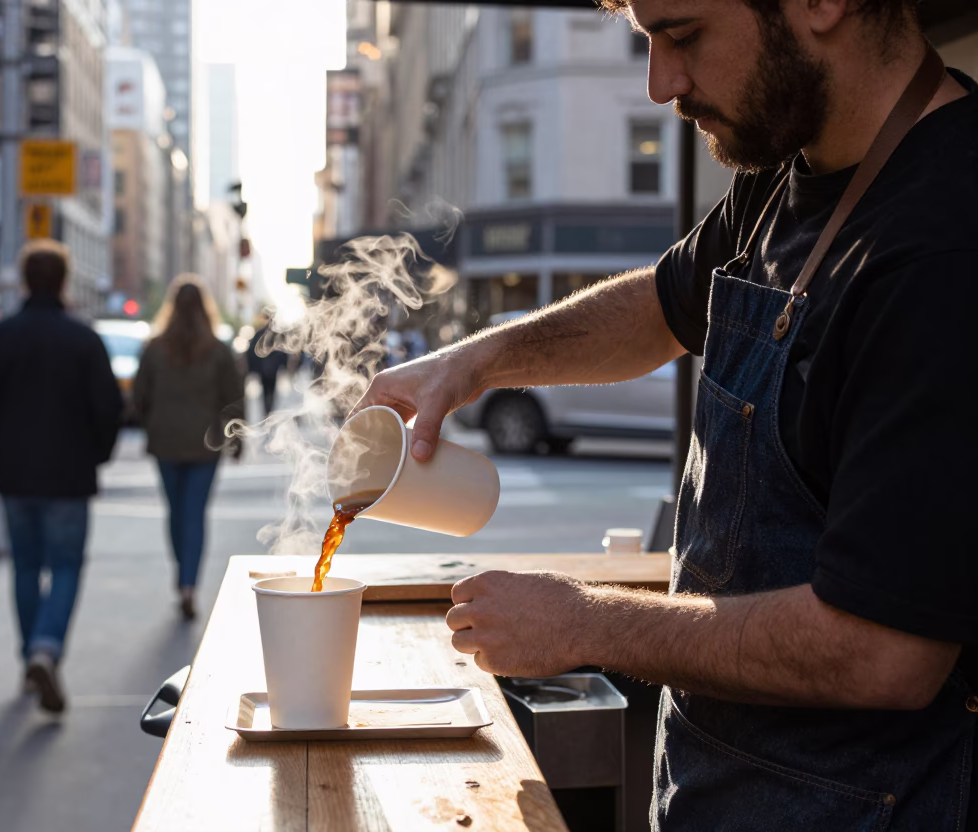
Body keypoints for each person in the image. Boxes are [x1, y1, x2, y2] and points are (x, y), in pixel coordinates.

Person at [356, 3, 976, 829]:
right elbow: (659, 307)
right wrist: (473, 362)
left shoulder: (945, 246)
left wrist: (586, 622)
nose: (660, 84)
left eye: (682, 35)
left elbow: (882, 652)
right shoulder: (788, 169)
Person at [0, 240, 122, 715]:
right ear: (65, 281)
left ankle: (31, 655)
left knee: (26, 566)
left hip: (15, 473)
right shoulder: (84, 339)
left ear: (25, 280)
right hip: (70, 472)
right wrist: (97, 454)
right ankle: (45, 648)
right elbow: (109, 408)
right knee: (67, 565)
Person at [132, 277, 244, 620]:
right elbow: (233, 399)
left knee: (176, 512)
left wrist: (150, 423)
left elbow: (139, 397)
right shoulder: (218, 350)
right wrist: (236, 440)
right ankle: (188, 584)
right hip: (204, 445)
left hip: (165, 442)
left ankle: (182, 573)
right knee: (194, 514)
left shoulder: (155, 348)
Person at [245, 315, 288, 417]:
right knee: (268, 390)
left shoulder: (272, 335)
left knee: (269, 390)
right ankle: (268, 409)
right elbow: (252, 352)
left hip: (269, 369)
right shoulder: (264, 335)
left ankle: (268, 408)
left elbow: (283, 352)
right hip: (265, 369)